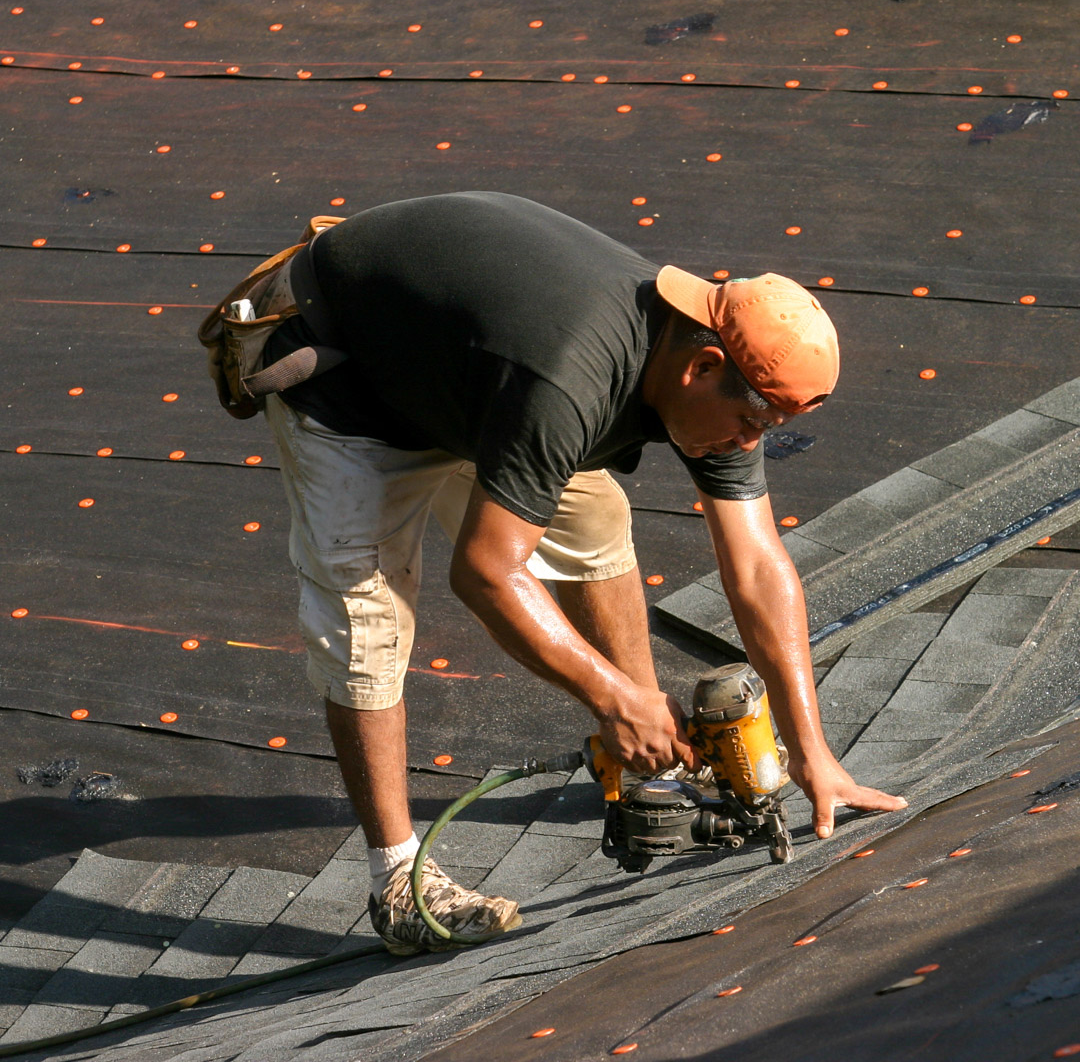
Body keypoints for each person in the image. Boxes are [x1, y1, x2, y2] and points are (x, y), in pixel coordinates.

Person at [257, 191, 907, 956]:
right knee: (366, 617)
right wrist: (611, 693)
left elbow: (759, 564)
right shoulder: (572, 376)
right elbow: (486, 574)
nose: (750, 442)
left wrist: (813, 754)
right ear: (704, 367)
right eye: (754, 423)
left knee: (594, 521)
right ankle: (398, 883)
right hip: (352, 377)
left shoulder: (721, 355)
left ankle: (649, 781)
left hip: (477, 374)